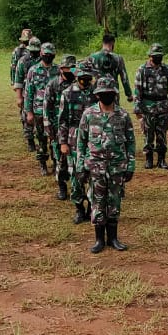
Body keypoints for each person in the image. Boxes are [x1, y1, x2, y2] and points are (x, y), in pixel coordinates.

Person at [76, 75, 135, 254]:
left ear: (114, 94)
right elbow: (81, 142)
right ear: (97, 95)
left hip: (117, 167)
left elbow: (131, 143)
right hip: (95, 166)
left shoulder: (123, 115)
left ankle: (114, 238)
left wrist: (130, 166)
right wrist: (80, 166)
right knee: (97, 201)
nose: (106, 96)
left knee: (114, 201)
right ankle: (99, 239)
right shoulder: (88, 115)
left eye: (109, 93)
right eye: (103, 93)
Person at [57, 62, 96, 223]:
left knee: (94, 175)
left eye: (88, 78)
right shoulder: (67, 93)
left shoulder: (97, 93)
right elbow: (62, 120)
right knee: (76, 175)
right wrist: (63, 143)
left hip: (94, 138)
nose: (86, 81)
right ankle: (79, 208)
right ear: (77, 77)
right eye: (83, 78)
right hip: (74, 138)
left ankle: (91, 209)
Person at [134, 44, 168, 170]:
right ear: (149, 56)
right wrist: (138, 109)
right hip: (148, 107)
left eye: (159, 56)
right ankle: (149, 159)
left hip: (163, 106)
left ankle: (162, 159)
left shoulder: (167, 69)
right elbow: (137, 90)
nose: (157, 58)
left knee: (162, 135)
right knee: (148, 134)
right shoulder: (142, 70)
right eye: (155, 56)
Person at [43, 55, 79, 201]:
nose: (70, 70)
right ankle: (62, 188)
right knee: (60, 160)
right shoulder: (53, 85)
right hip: (58, 129)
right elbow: (47, 109)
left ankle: (77, 188)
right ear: (61, 69)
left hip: (76, 131)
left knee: (76, 161)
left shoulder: (79, 84)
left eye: (73, 68)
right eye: (67, 68)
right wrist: (49, 131)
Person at [23, 42, 58, 176]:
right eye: (45, 55)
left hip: (54, 111)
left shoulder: (58, 70)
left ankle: (56, 163)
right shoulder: (34, 70)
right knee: (41, 139)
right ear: (41, 55)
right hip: (38, 111)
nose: (48, 57)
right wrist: (29, 112)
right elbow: (29, 93)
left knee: (55, 139)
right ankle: (43, 164)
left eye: (50, 55)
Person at [13, 35, 43, 150]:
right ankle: (30, 141)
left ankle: (41, 140)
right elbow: (18, 80)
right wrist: (19, 97)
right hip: (27, 93)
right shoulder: (23, 61)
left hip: (41, 94)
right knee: (26, 117)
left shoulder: (43, 59)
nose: (34, 53)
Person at [89, 33, 132, 103]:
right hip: (113, 92)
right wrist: (129, 94)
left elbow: (84, 72)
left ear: (103, 43)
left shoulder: (93, 57)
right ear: (113, 43)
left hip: (97, 92)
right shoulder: (118, 58)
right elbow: (124, 78)